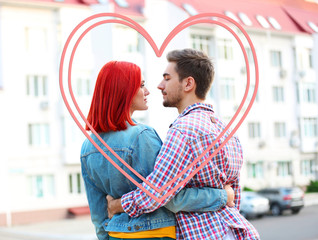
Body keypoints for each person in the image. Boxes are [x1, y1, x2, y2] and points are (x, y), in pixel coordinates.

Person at [106, 49, 261, 240]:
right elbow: (233, 196)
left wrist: (117, 205)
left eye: (167, 78)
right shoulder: (226, 130)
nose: (160, 86)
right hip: (236, 230)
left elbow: (156, 193)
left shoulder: (184, 130)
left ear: (188, 83)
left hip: (204, 234)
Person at [80, 60, 235, 240]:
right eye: (141, 85)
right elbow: (170, 197)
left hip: (116, 235)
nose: (147, 92)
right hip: (155, 233)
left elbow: (98, 214)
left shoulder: (88, 146)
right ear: (124, 90)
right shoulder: (142, 136)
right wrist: (223, 195)